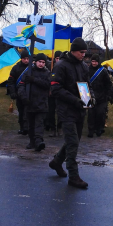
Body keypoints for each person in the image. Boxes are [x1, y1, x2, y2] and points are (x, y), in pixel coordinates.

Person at [48, 38, 94, 189]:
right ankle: (73, 176)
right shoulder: (61, 66)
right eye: (81, 52)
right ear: (73, 50)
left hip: (80, 109)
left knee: (73, 141)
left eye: (85, 53)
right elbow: (56, 89)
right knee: (73, 141)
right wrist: (74, 100)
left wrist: (90, 97)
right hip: (66, 110)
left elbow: (87, 85)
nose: (83, 55)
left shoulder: (83, 66)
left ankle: (56, 162)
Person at [18, 54, 51, 151]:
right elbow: (21, 85)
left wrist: (34, 80)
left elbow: (47, 84)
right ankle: (32, 141)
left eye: (43, 62)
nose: (41, 64)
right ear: (35, 62)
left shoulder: (47, 73)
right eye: (39, 62)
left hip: (41, 103)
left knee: (39, 124)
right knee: (30, 124)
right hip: (29, 103)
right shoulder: (28, 72)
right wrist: (23, 97)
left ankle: (38, 141)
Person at [87, 54, 112, 138]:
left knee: (100, 114)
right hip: (91, 95)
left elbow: (108, 84)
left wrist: (109, 95)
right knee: (91, 114)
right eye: (93, 61)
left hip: (102, 96)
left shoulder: (103, 71)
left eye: (95, 61)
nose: (94, 63)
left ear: (98, 62)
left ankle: (99, 129)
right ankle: (91, 130)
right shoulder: (87, 70)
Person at [8, 50, 30, 135]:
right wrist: (12, 92)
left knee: (27, 111)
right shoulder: (15, 68)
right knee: (21, 111)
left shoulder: (31, 67)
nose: (26, 60)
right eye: (24, 59)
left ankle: (27, 127)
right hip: (19, 94)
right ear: (21, 59)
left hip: (29, 94)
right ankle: (22, 127)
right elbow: (11, 81)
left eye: (28, 59)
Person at [47, 51, 62, 137]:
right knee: (51, 111)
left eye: (59, 58)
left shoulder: (63, 67)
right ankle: (52, 128)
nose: (58, 60)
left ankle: (59, 127)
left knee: (60, 111)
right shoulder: (49, 66)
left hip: (59, 92)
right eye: (56, 58)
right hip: (51, 92)